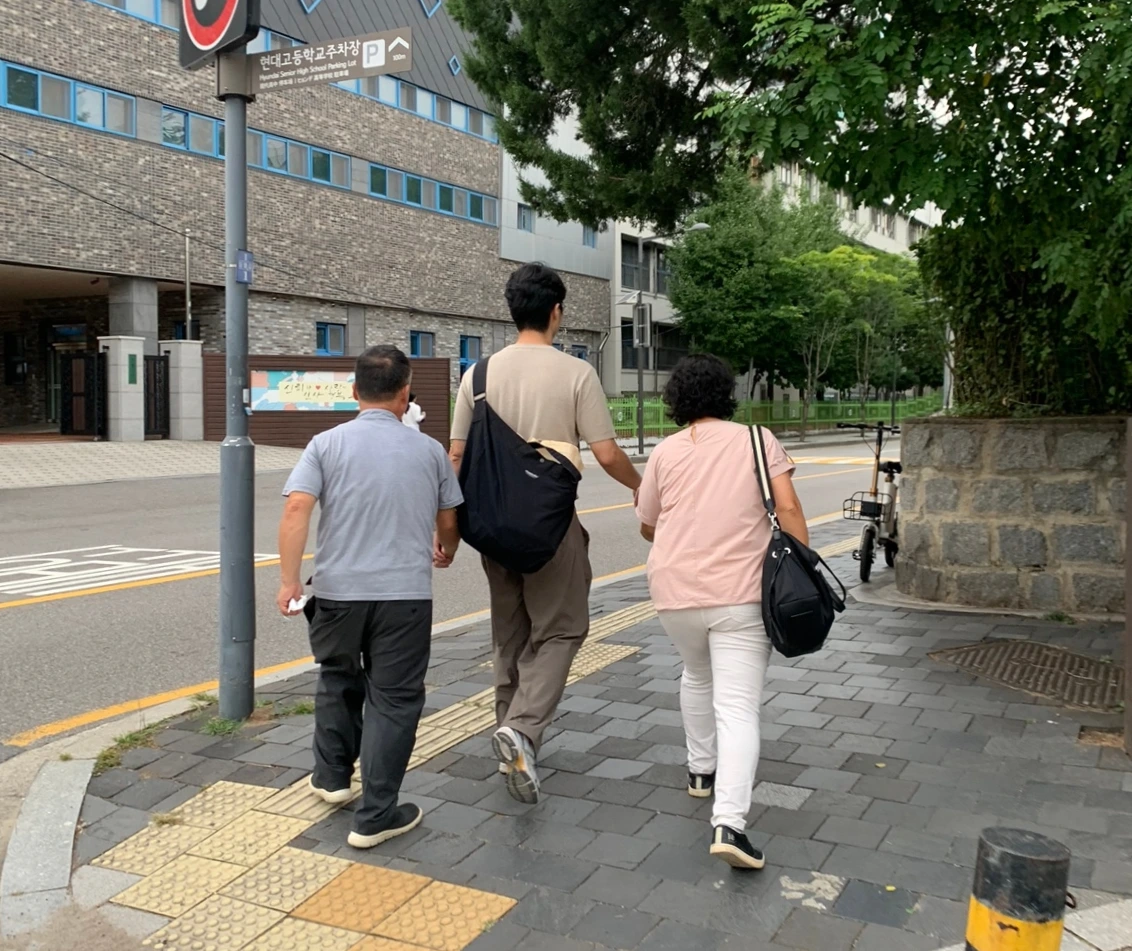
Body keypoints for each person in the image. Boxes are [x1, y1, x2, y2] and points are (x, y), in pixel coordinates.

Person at [449, 263, 641, 804]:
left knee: (510, 633)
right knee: (561, 629)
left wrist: (448, 529)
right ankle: (523, 729)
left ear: (513, 311)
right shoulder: (576, 373)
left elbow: (456, 456)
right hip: (551, 527)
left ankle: (510, 737)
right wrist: (641, 486)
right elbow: (607, 454)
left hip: (490, 524)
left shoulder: (477, 376)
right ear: (556, 312)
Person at [276, 345, 462, 849]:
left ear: (354, 392)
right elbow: (449, 518)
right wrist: (446, 548)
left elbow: (296, 509)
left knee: (338, 677)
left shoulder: (325, 444)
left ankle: (333, 778)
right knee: (394, 698)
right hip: (405, 596)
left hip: (336, 592)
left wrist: (290, 581)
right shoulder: (429, 451)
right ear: (405, 395)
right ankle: (377, 814)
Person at [635, 354, 808, 870]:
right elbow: (789, 508)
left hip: (674, 593)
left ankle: (700, 771)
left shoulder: (664, 452)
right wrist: (804, 565)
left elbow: (647, 523)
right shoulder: (757, 440)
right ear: (727, 394)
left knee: (696, 673)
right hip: (740, 594)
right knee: (737, 707)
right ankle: (729, 823)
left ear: (676, 400)